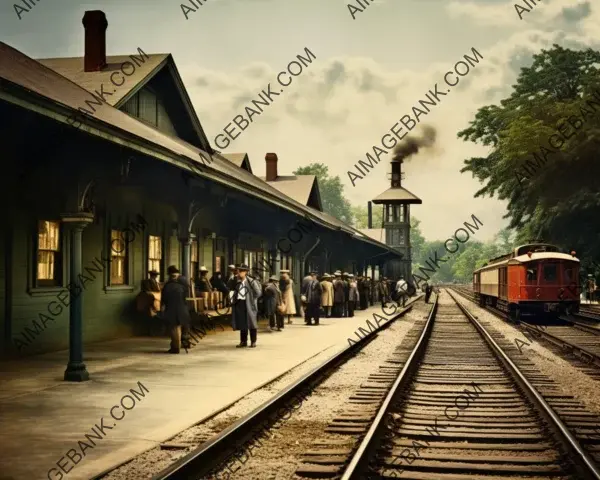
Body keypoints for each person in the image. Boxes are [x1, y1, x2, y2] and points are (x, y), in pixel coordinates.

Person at [161, 265, 191, 354]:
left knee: (174, 329)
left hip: (172, 309)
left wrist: (163, 308)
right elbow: (185, 296)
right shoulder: (183, 285)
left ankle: (175, 348)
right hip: (183, 308)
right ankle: (185, 343)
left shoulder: (167, 286)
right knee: (184, 326)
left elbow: (164, 300)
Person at [230, 264, 262, 348]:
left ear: (246, 272)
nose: (239, 273)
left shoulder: (251, 281)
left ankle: (253, 341)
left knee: (252, 323)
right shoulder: (237, 281)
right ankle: (243, 341)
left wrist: (252, 299)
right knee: (242, 323)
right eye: (238, 271)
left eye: (241, 271)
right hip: (240, 303)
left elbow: (258, 293)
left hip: (249, 304)